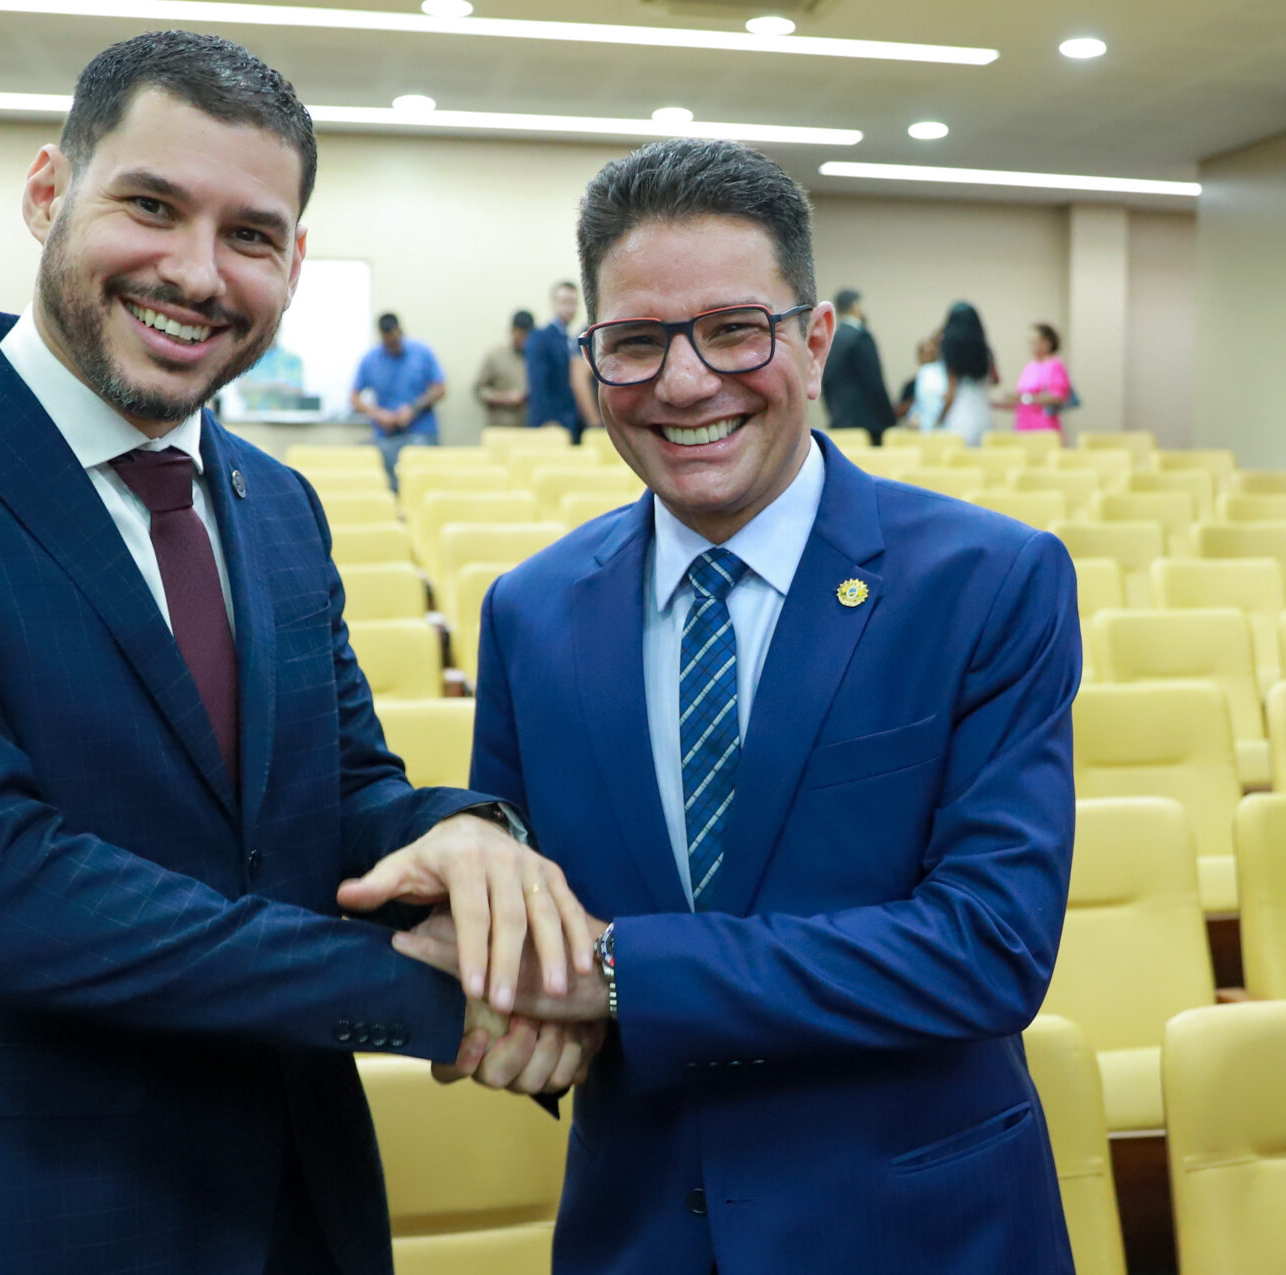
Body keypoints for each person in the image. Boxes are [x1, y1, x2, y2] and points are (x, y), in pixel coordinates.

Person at [0, 32, 595, 1275]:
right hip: (23, 1207)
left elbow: (339, 787)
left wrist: (462, 835)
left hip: (298, 1195)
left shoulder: (279, 502)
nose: (196, 273)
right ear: (47, 192)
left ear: (292, 262)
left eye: (250, 234)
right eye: (150, 206)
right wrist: (440, 1001)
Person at [395, 139, 1079, 1273]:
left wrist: (618, 978)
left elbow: (986, 948)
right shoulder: (529, 613)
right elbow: (534, 931)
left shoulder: (987, 582)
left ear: (812, 344)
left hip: (918, 1228)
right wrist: (510, 1004)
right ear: (588, 359)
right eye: (634, 342)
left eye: (732, 330)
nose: (682, 382)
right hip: (642, 1224)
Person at [352, 312, 445, 482]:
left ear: (400, 331)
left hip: (420, 433)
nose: (393, 344)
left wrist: (413, 409)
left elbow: (440, 388)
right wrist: (378, 414)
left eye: (396, 339)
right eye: (388, 341)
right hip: (385, 436)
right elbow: (354, 398)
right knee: (363, 464)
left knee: (420, 479)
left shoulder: (422, 353)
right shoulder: (370, 359)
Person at [820, 288, 897, 444]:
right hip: (867, 425)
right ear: (855, 306)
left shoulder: (831, 339)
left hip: (839, 422)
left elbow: (825, 382)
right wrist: (890, 419)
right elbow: (874, 382)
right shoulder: (861, 337)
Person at [914, 301, 996, 445]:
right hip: (984, 417)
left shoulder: (951, 349)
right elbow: (995, 379)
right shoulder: (986, 350)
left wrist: (938, 420)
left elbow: (951, 393)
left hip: (959, 419)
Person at [525, 281, 587, 440]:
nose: (569, 308)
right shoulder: (539, 337)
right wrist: (547, 420)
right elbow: (537, 384)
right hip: (551, 423)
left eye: (573, 303)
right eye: (564, 302)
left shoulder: (571, 339)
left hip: (573, 421)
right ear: (553, 304)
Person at [996, 322, 1073, 434]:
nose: (1031, 346)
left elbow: (1058, 397)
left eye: (1034, 342)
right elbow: (1021, 399)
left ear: (1047, 343)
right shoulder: (1029, 367)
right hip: (1023, 425)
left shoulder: (1054, 365)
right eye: (1029, 342)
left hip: (1044, 427)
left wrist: (1025, 398)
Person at [475, 309, 534, 432]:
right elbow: (479, 391)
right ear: (513, 331)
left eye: (528, 334)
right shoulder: (495, 356)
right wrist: (504, 397)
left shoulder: (538, 358)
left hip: (530, 429)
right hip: (501, 429)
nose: (525, 339)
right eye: (521, 334)